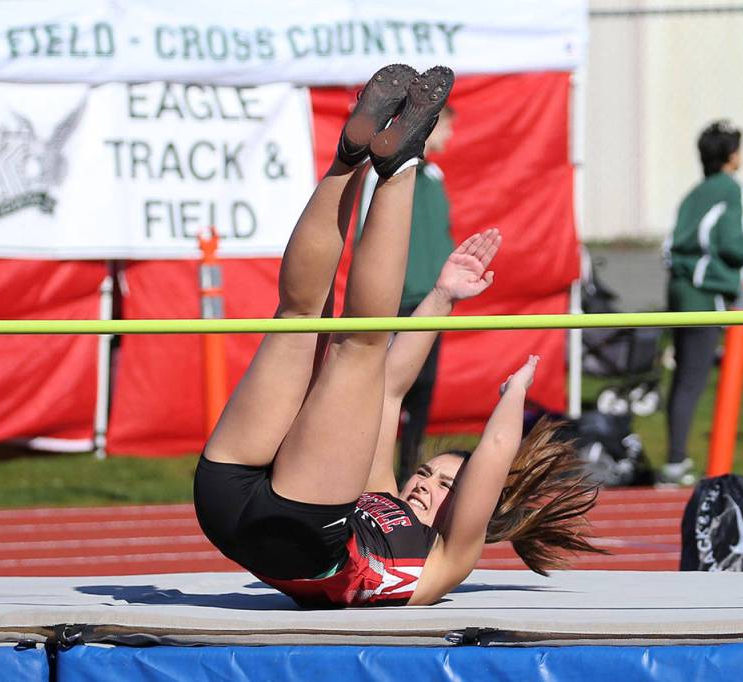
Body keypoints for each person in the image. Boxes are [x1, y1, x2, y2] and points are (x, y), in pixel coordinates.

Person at [193, 64, 602, 609]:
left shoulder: (449, 558)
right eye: (430, 474)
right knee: (300, 317)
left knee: (358, 345)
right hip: (237, 497)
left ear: (479, 511)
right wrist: (441, 299)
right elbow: (389, 392)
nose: (424, 486)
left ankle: (400, 162)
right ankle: (351, 155)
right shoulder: (378, 484)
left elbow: (498, 448)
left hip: (295, 534)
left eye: (443, 488)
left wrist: (515, 394)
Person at [356, 106, 456, 486]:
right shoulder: (386, 175)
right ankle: (368, 474)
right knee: (385, 389)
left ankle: (408, 472)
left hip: (430, 302)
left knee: (423, 389)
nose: (450, 137)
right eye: (445, 127)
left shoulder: (435, 175)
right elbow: (369, 232)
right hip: (395, 304)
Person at [661, 121, 743, 485]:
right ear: (733, 156)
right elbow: (733, 245)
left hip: (679, 289)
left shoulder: (694, 192)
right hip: (704, 292)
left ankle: (675, 459)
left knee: (684, 377)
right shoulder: (733, 190)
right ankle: (676, 464)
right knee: (692, 378)